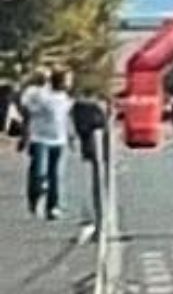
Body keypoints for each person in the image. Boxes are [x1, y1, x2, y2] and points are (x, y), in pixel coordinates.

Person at [18, 68, 75, 220]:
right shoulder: (41, 95)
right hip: (40, 139)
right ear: (58, 81)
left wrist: (70, 136)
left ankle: (53, 207)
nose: (70, 84)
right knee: (38, 173)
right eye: (67, 80)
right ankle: (35, 197)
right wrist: (24, 137)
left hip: (59, 140)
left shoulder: (65, 98)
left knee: (55, 174)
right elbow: (27, 113)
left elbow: (65, 119)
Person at [71, 87, 109, 231]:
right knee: (95, 176)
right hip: (93, 144)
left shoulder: (78, 108)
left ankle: (95, 216)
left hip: (89, 143)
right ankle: (95, 216)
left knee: (94, 175)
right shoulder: (92, 108)